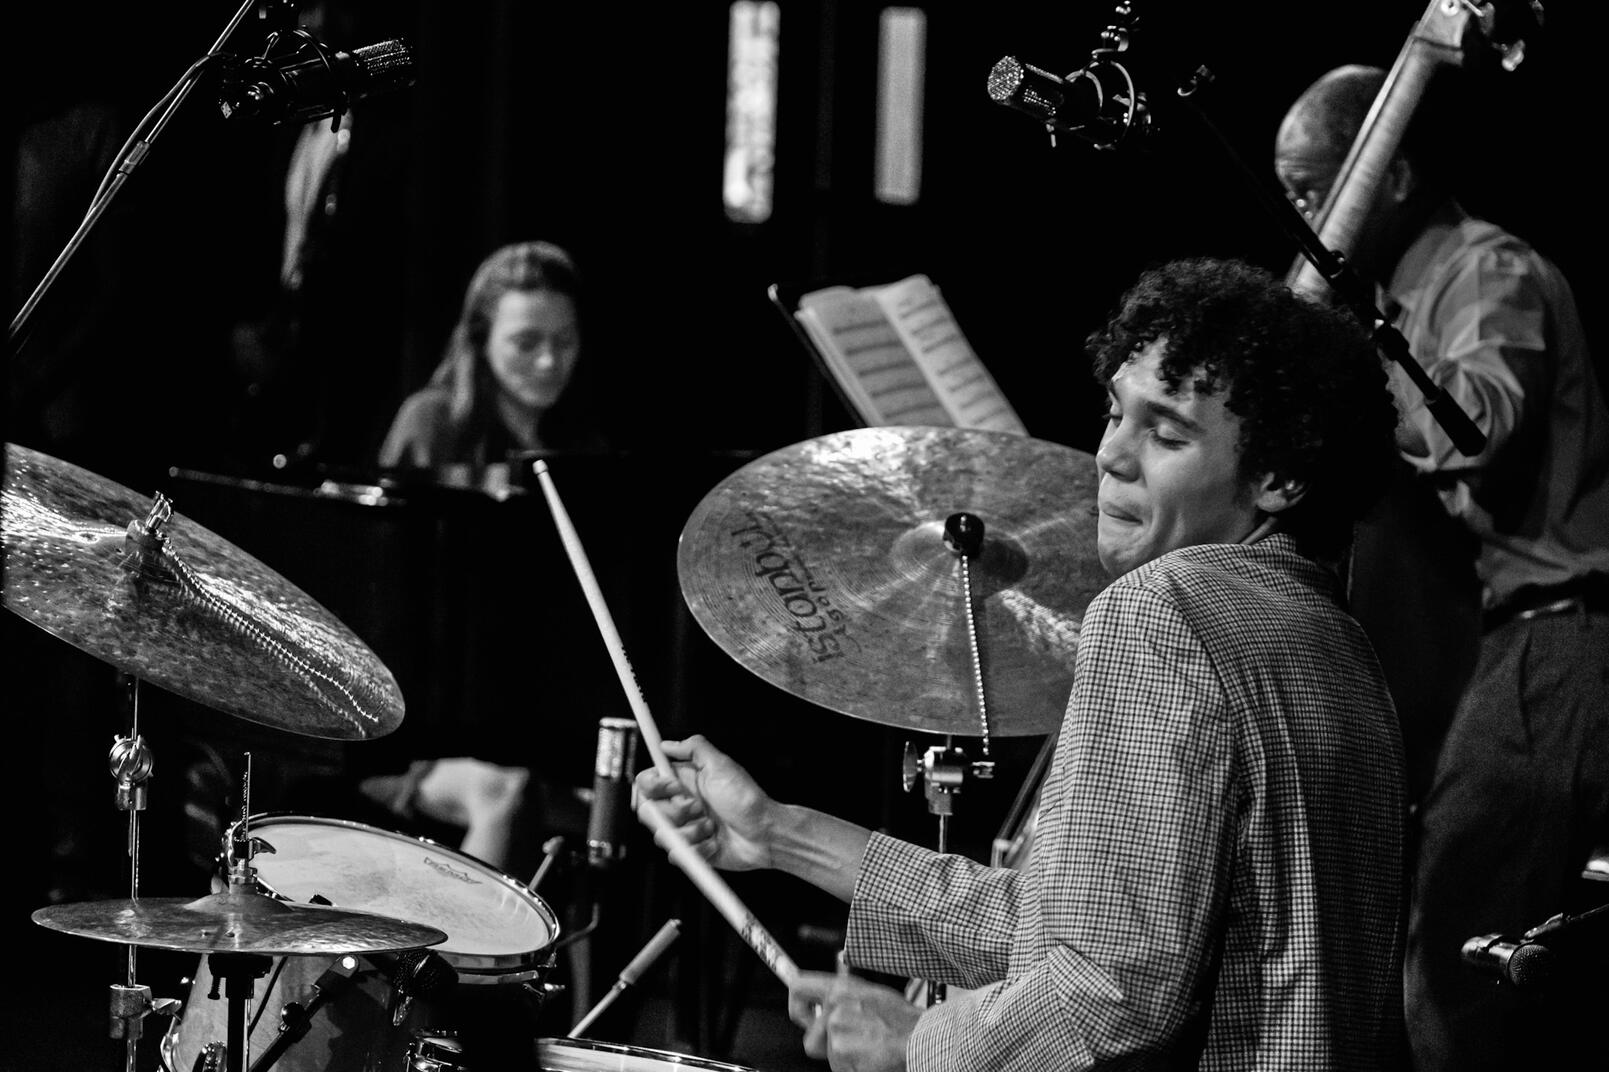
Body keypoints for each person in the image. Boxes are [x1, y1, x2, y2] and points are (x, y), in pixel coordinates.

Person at [638, 257, 1408, 1070]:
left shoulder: (1164, 608)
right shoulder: (1335, 642)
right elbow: (1077, 928)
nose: (1111, 455)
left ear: (1281, 475)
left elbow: (1111, 988)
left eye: (1167, 434)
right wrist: (779, 833)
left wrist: (918, 1044)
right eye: (1114, 413)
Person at [1274, 65, 1609, 1072]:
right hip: (1514, 641)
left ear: (1392, 173)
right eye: (1294, 197)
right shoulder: (1402, 294)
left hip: (1562, 635)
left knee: (1456, 953)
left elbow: (1480, 423)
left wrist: (1344, 372)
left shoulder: (1482, 268)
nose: (1309, 220)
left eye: (1316, 190)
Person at [378, 240, 601, 489]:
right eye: (526, 343)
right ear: (482, 339)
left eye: (565, 340)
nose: (548, 361)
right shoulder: (433, 421)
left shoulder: (585, 437)